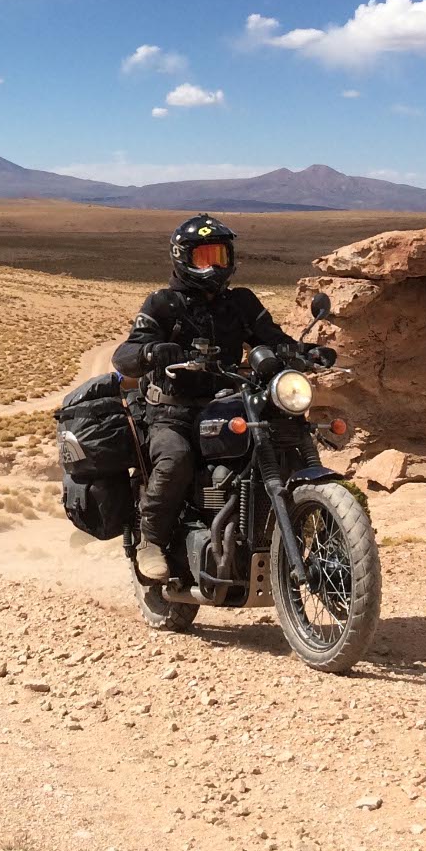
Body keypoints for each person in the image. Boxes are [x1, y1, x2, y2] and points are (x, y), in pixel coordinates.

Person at [112, 213, 289, 582]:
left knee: (274, 440)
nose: (213, 266)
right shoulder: (163, 303)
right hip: (171, 410)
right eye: (204, 257)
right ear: (182, 257)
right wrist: (151, 353)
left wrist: (303, 351)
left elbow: (271, 337)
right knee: (176, 458)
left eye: (220, 257)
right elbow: (125, 355)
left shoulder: (240, 302)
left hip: (226, 403)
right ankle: (152, 541)